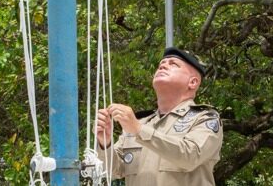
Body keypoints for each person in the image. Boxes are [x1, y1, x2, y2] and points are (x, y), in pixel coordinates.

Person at [96, 47, 223, 185]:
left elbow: (190, 156)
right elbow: (112, 171)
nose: (163, 65)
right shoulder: (141, 122)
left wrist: (139, 130)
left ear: (192, 82)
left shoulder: (205, 118)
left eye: (173, 64)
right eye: (161, 64)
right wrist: (105, 142)